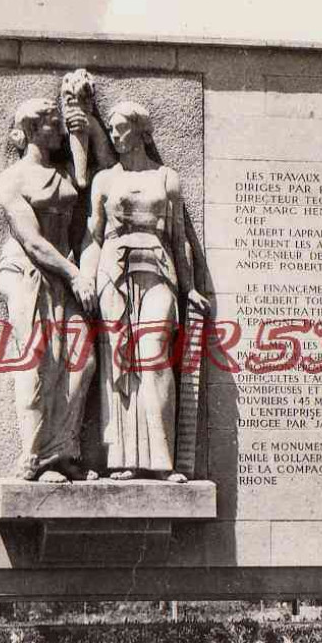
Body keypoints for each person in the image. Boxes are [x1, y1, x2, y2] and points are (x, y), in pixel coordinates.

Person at [78, 100, 210, 482]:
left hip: (158, 272)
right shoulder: (104, 180)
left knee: (153, 356)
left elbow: (180, 238)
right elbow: (93, 238)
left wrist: (189, 289)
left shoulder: (166, 178)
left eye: (121, 128)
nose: (115, 135)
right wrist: (86, 280)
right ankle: (123, 460)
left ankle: (163, 460)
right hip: (113, 272)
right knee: (119, 361)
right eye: (113, 129)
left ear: (140, 131)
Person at [0, 87, 111, 482]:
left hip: (66, 272)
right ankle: (32, 455)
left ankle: (62, 453)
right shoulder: (13, 179)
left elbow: (92, 180)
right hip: (30, 272)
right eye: (51, 122)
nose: (58, 127)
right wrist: (76, 274)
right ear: (31, 130)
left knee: (83, 359)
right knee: (39, 360)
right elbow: (31, 241)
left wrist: (86, 124)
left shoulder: (62, 173)